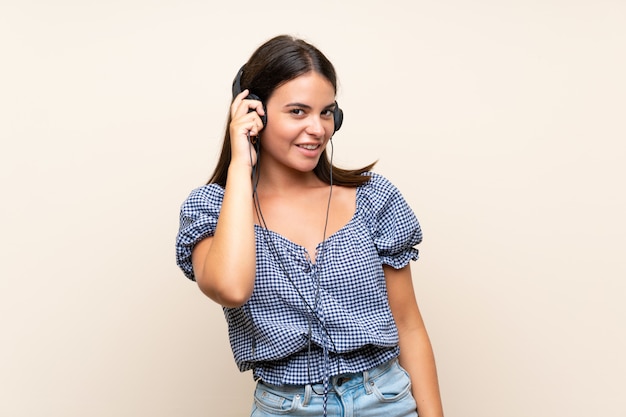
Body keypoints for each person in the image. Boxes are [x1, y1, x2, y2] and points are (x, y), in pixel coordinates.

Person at [175, 34, 444, 417]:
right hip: (286, 407)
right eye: (298, 112)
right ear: (255, 113)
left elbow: (408, 325)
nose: (318, 128)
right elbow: (231, 288)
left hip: (385, 401)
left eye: (326, 112)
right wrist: (240, 164)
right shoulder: (209, 209)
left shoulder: (373, 199)